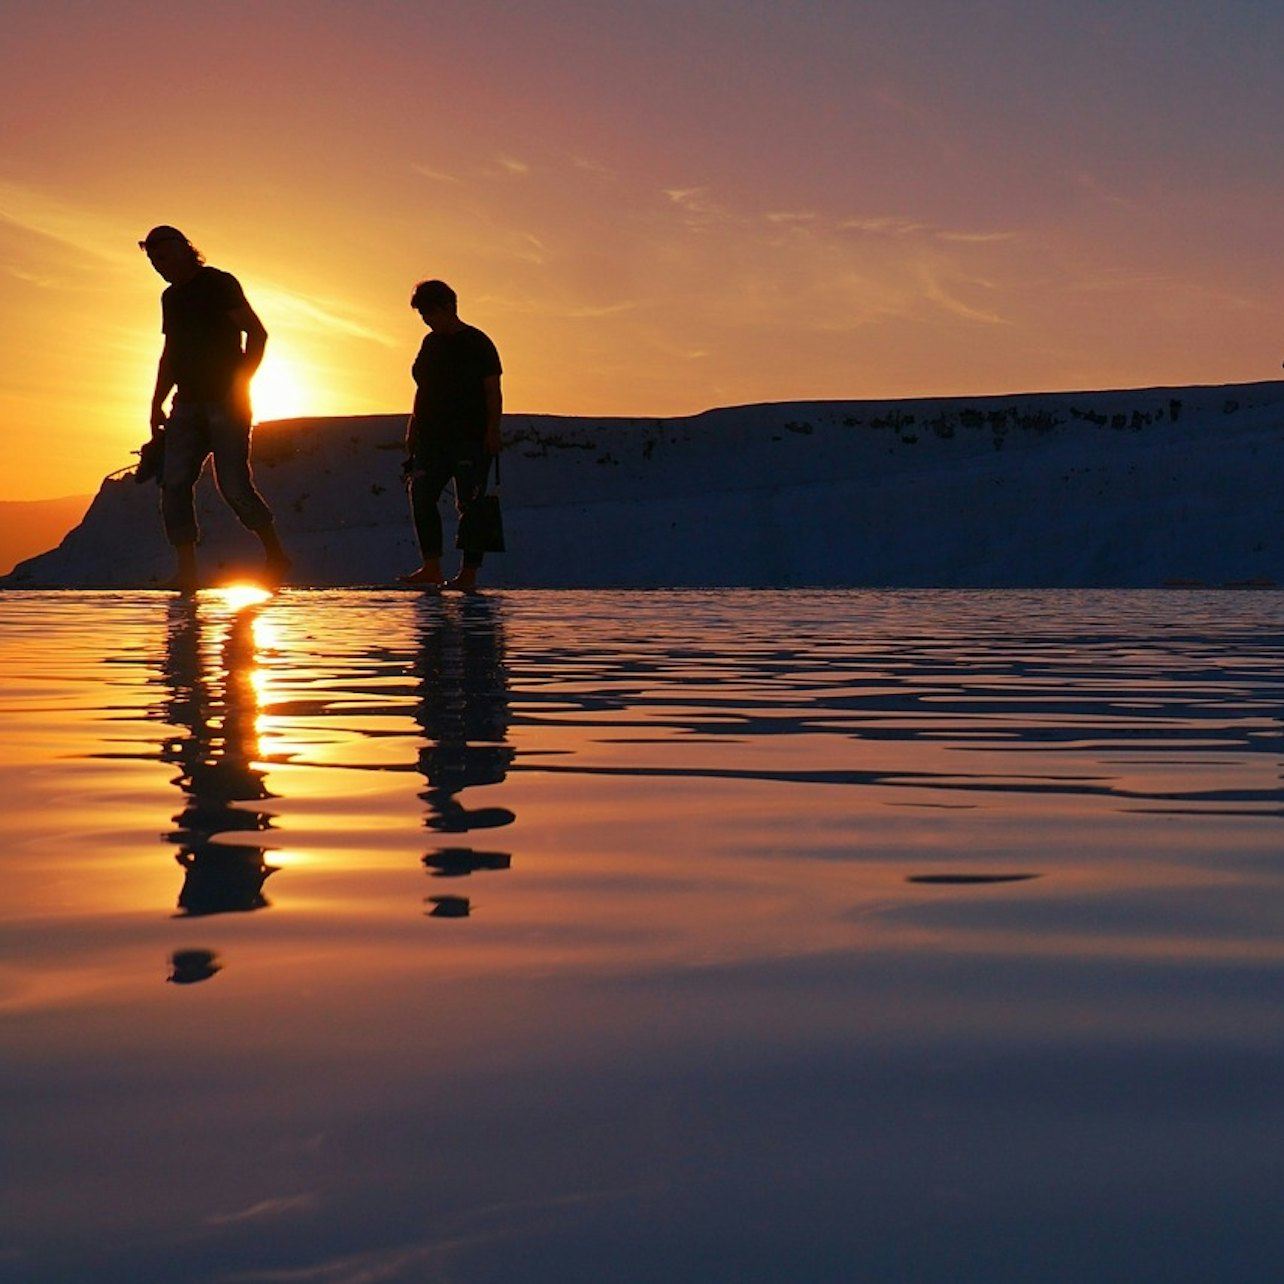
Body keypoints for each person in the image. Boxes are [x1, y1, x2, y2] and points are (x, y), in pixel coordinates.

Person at [140, 225, 290, 591]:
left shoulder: (219, 283)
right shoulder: (170, 299)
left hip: (227, 403)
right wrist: (156, 401)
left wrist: (241, 384)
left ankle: (275, 556)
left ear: (184, 251)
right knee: (173, 483)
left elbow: (257, 333)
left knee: (234, 486)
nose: (160, 266)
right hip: (186, 403)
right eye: (154, 261)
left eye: (165, 257)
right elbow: (170, 353)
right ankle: (188, 571)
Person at [399, 279, 502, 592]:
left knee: (471, 504)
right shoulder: (430, 344)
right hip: (432, 435)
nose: (426, 320)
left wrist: (493, 431)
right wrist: (413, 427)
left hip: (470, 436)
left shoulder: (478, 342)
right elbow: (422, 387)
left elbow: (492, 391)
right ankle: (431, 566)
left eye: (429, 313)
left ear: (447, 307)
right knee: (421, 494)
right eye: (422, 315)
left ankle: (468, 573)